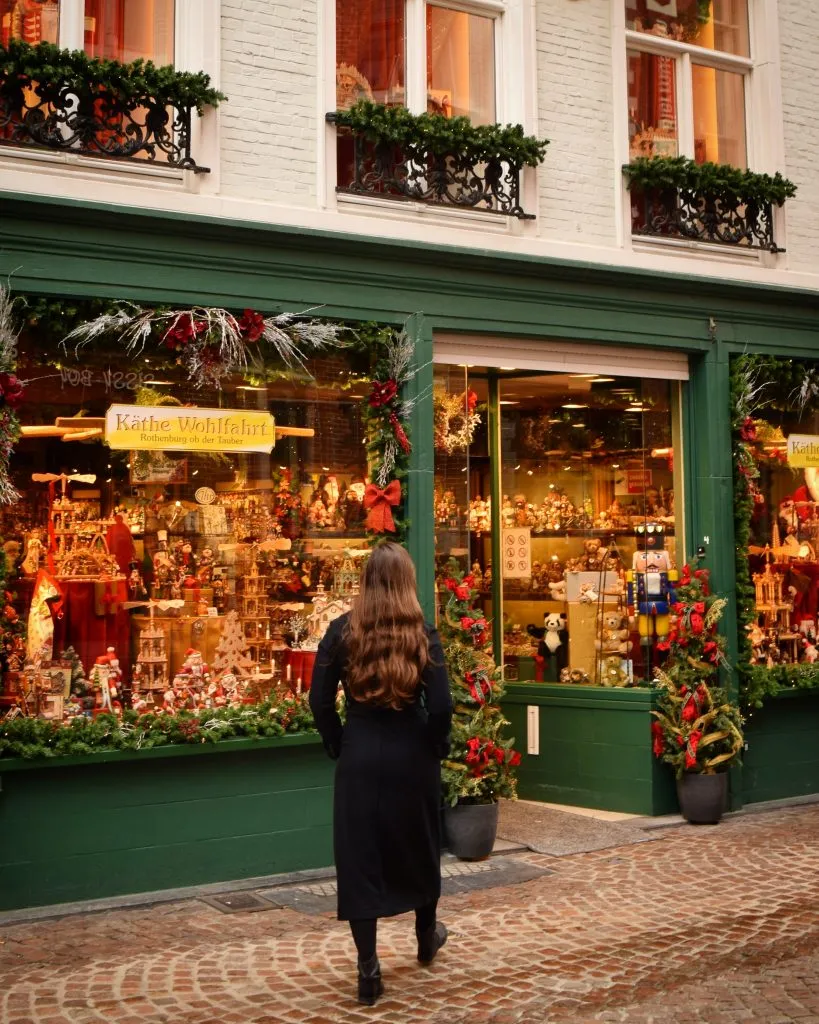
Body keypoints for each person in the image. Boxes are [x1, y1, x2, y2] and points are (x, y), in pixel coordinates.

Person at [309, 541, 453, 1006]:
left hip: (361, 753)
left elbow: (318, 700)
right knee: (420, 843)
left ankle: (368, 967)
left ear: (367, 581)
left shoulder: (340, 632)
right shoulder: (421, 634)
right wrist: (435, 744)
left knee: (360, 856)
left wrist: (336, 741)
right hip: (412, 753)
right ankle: (426, 935)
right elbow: (443, 706)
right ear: (407, 582)